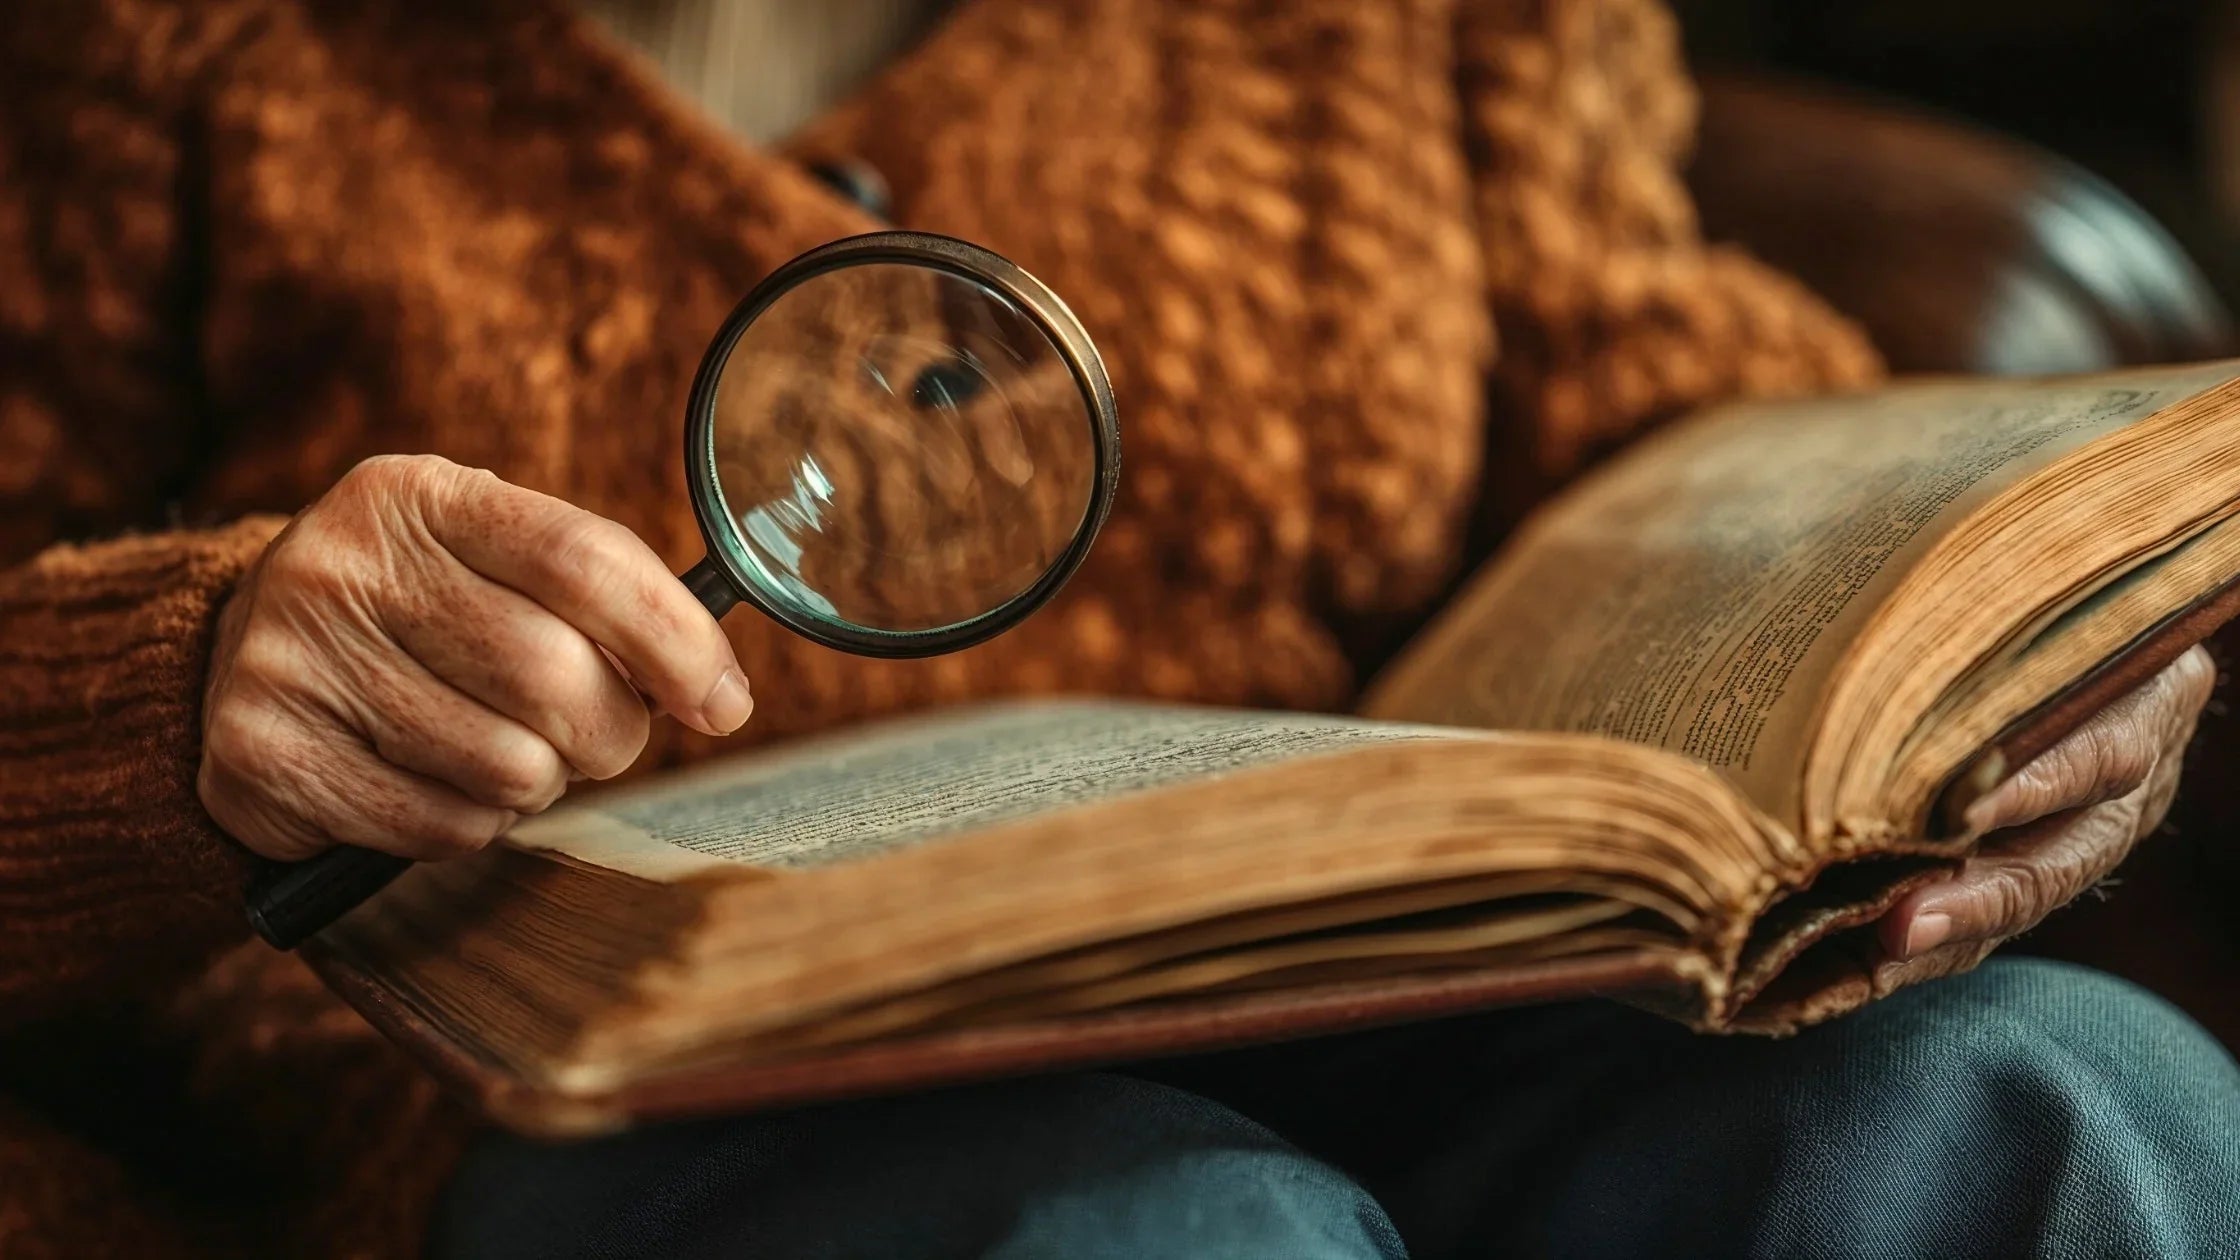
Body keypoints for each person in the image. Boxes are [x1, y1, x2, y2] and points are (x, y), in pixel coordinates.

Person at [0, 0, 2233, 1256]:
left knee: (2066, 1107)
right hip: (590, 1103)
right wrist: (182, 691)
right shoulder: (165, 50)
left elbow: (1651, 400)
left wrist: (1972, 660)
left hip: (1413, 989)